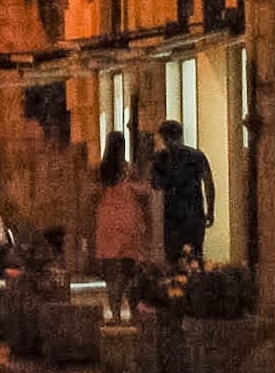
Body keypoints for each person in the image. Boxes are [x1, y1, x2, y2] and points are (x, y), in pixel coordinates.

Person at [92, 137, 152, 321]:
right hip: (128, 221)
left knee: (110, 272)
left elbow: (92, 195)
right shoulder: (128, 170)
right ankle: (132, 310)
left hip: (107, 222)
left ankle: (115, 313)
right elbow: (143, 191)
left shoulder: (101, 172)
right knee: (127, 269)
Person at [151, 120, 216, 265]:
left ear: (164, 138)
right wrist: (210, 210)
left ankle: (177, 285)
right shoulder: (197, 156)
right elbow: (208, 183)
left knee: (173, 258)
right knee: (195, 257)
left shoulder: (160, 159)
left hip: (172, 215)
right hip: (194, 213)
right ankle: (193, 285)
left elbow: (155, 185)